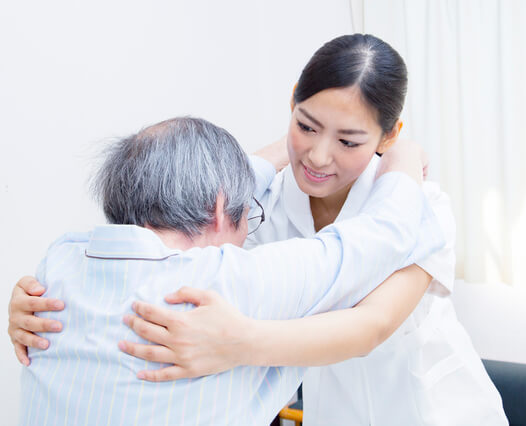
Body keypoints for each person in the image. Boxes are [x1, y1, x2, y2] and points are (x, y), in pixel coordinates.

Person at [9, 34, 508, 425]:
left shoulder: (422, 205)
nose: (318, 156)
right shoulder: (257, 205)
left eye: (349, 141)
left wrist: (238, 341)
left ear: (388, 134)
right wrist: (34, 300)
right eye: (306, 126)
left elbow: (371, 326)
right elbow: (201, 195)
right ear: (292, 105)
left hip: (433, 411)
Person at [13, 116, 441, 426]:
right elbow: (386, 232)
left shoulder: (59, 266)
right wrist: (402, 150)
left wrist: (304, 138)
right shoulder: (227, 283)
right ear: (220, 207)